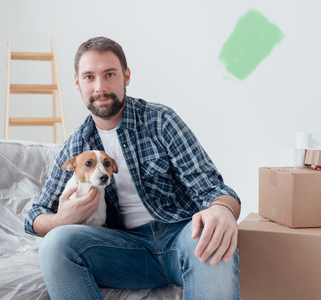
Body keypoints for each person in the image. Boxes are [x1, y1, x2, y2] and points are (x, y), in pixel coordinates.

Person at [25, 36, 241, 299]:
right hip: (122, 251)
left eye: (109, 74)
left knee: (211, 236)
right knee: (54, 245)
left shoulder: (160, 121)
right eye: (89, 77)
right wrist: (60, 220)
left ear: (126, 76)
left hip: (180, 238)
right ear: (78, 83)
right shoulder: (77, 146)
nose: (100, 87)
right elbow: (34, 215)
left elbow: (213, 188)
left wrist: (221, 209)